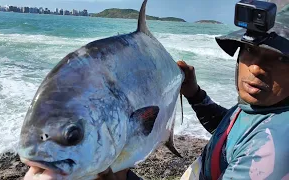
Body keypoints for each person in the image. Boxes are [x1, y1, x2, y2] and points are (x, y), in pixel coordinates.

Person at [97, 2, 289, 180]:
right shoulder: (265, 109)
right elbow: (231, 131)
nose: (256, 68)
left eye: (280, 58)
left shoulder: (271, 151)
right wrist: (195, 95)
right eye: (250, 49)